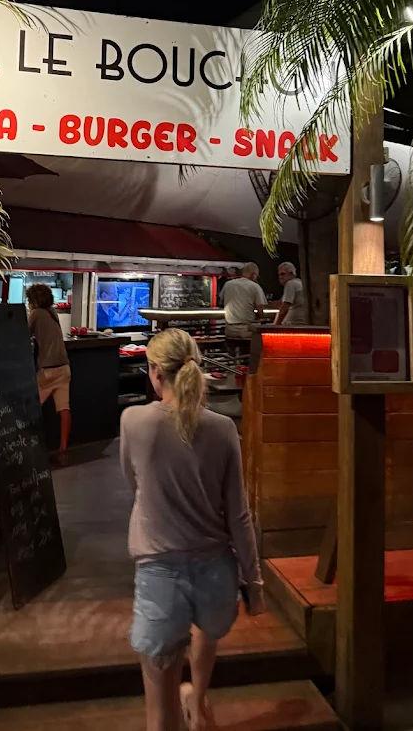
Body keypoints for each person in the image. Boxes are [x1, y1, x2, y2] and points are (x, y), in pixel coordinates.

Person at [120, 328, 264, 731]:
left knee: (159, 716)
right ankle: (197, 703)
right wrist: (255, 583)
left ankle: (190, 705)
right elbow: (238, 515)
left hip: (161, 578)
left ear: (155, 372)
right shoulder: (223, 428)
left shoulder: (134, 421)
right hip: (215, 577)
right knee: (205, 631)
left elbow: (134, 486)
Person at [27, 283, 72, 465]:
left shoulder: (35, 314)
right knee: (64, 409)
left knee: (30, 409)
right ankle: (63, 451)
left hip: (47, 370)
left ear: (33, 300)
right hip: (64, 368)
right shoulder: (53, 312)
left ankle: (30, 451)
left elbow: (22, 334)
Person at [220, 261, 266, 346]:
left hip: (230, 330)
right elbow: (261, 311)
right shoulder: (255, 286)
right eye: (257, 275)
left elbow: (221, 302)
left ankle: (234, 354)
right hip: (248, 330)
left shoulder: (228, 284)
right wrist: (257, 317)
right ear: (253, 274)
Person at [274, 261, 307, 325]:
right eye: (279, 275)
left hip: (293, 324)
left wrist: (276, 325)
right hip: (299, 324)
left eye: (283, 274)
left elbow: (284, 308)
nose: (280, 277)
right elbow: (281, 303)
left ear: (291, 273)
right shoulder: (298, 282)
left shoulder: (290, 284)